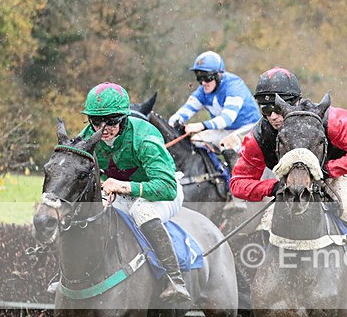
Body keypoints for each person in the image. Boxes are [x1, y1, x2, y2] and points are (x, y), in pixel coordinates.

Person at [230, 67, 347, 294]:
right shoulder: (258, 137)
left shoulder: (333, 119)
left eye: (280, 106)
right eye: (267, 108)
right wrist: (272, 186)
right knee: (268, 222)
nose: (274, 116)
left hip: (334, 173)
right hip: (289, 181)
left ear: (296, 100)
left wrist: (328, 169)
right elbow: (238, 183)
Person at [81, 82, 192, 303]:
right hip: (120, 193)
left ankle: (175, 279)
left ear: (123, 118)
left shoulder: (145, 137)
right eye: (96, 121)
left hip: (161, 191)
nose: (104, 128)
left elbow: (167, 188)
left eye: (111, 121)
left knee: (142, 211)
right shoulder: (85, 137)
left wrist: (122, 186)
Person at [168, 51, 261, 171]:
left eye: (206, 78)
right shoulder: (203, 90)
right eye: (199, 78)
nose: (203, 83)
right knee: (196, 141)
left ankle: (237, 183)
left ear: (218, 75)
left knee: (227, 144)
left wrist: (201, 125)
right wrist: (171, 124)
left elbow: (226, 119)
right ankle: (217, 175)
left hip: (250, 128)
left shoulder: (234, 86)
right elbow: (185, 111)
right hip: (226, 130)